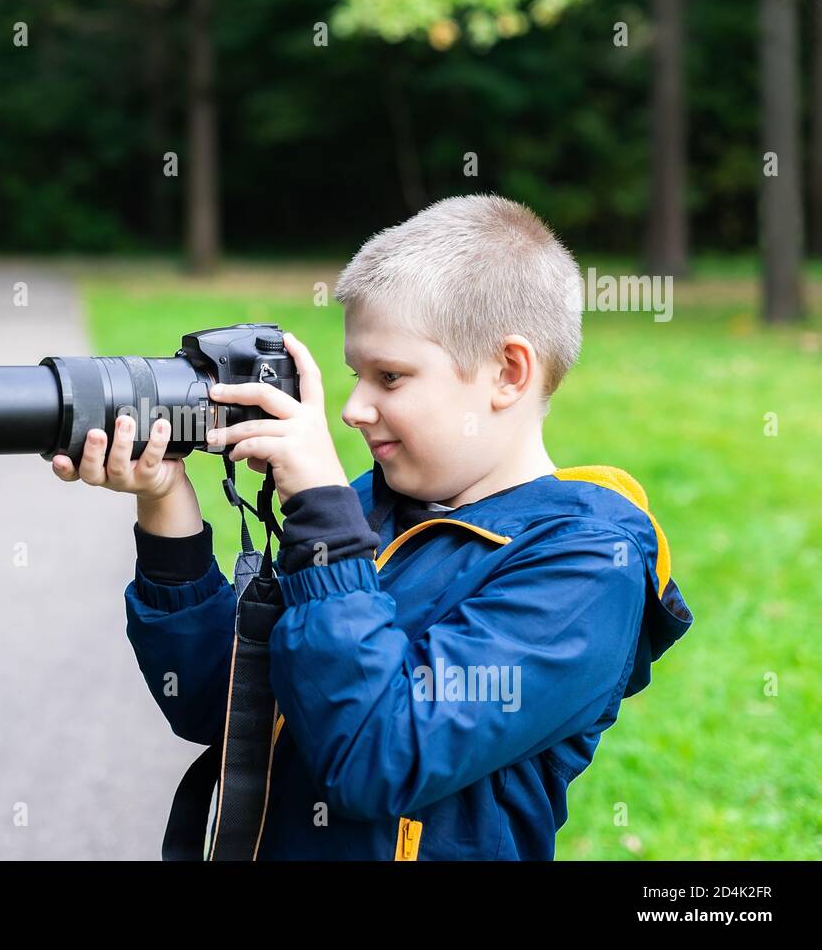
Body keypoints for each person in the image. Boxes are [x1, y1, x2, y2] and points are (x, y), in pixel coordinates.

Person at [52, 194, 694, 860]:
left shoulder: (588, 565)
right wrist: (165, 505)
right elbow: (220, 703)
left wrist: (326, 524)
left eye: (391, 377)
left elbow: (379, 758)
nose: (355, 408)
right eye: (358, 374)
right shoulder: (367, 510)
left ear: (508, 373)